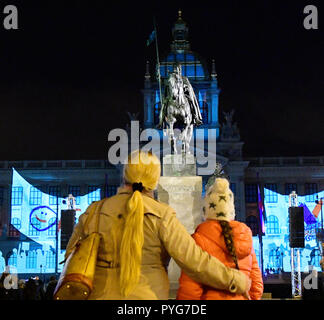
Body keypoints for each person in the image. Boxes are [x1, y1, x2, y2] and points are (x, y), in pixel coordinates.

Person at [64, 150, 250, 299]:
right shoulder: (162, 215)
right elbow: (195, 261)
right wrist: (235, 279)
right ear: (155, 181)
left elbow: (72, 256)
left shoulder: (93, 212)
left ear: (125, 176)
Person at [177, 178, 263, 300]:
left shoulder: (199, 239)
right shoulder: (245, 238)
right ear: (231, 211)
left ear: (206, 210)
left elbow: (190, 287)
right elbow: (256, 286)